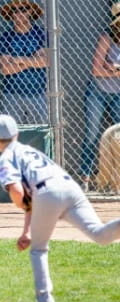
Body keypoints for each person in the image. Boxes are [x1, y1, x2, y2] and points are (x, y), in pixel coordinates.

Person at [0, 114, 120, 302]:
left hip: (47, 194)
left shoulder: (5, 158)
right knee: (100, 235)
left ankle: (46, 301)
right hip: (70, 188)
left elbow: (18, 192)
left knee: (39, 250)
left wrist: (20, 203)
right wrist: (27, 231)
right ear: (17, 134)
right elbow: (33, 199)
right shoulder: (30, 150)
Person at [79, 2, 120, 192]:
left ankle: (115, 181)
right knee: (92, 135)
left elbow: (107, 68)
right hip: (98, 92)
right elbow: (96, 70)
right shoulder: (108, 36)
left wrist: (112, 68)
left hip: (118, 93)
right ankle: (85, 179)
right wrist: (114, 72)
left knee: (118, 137)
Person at [0, 0, 48, 124]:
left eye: (24, 9)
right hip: (12, 93)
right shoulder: (6, 37)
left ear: (30, 11)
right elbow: (5, 69)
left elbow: (45, 61)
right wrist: (32, 60)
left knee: (38, 135)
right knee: (10, 133)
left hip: (38, 92)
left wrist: (17, 60)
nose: (19, 13)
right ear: (11, 14)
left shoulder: (41, 34)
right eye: (15, 10)